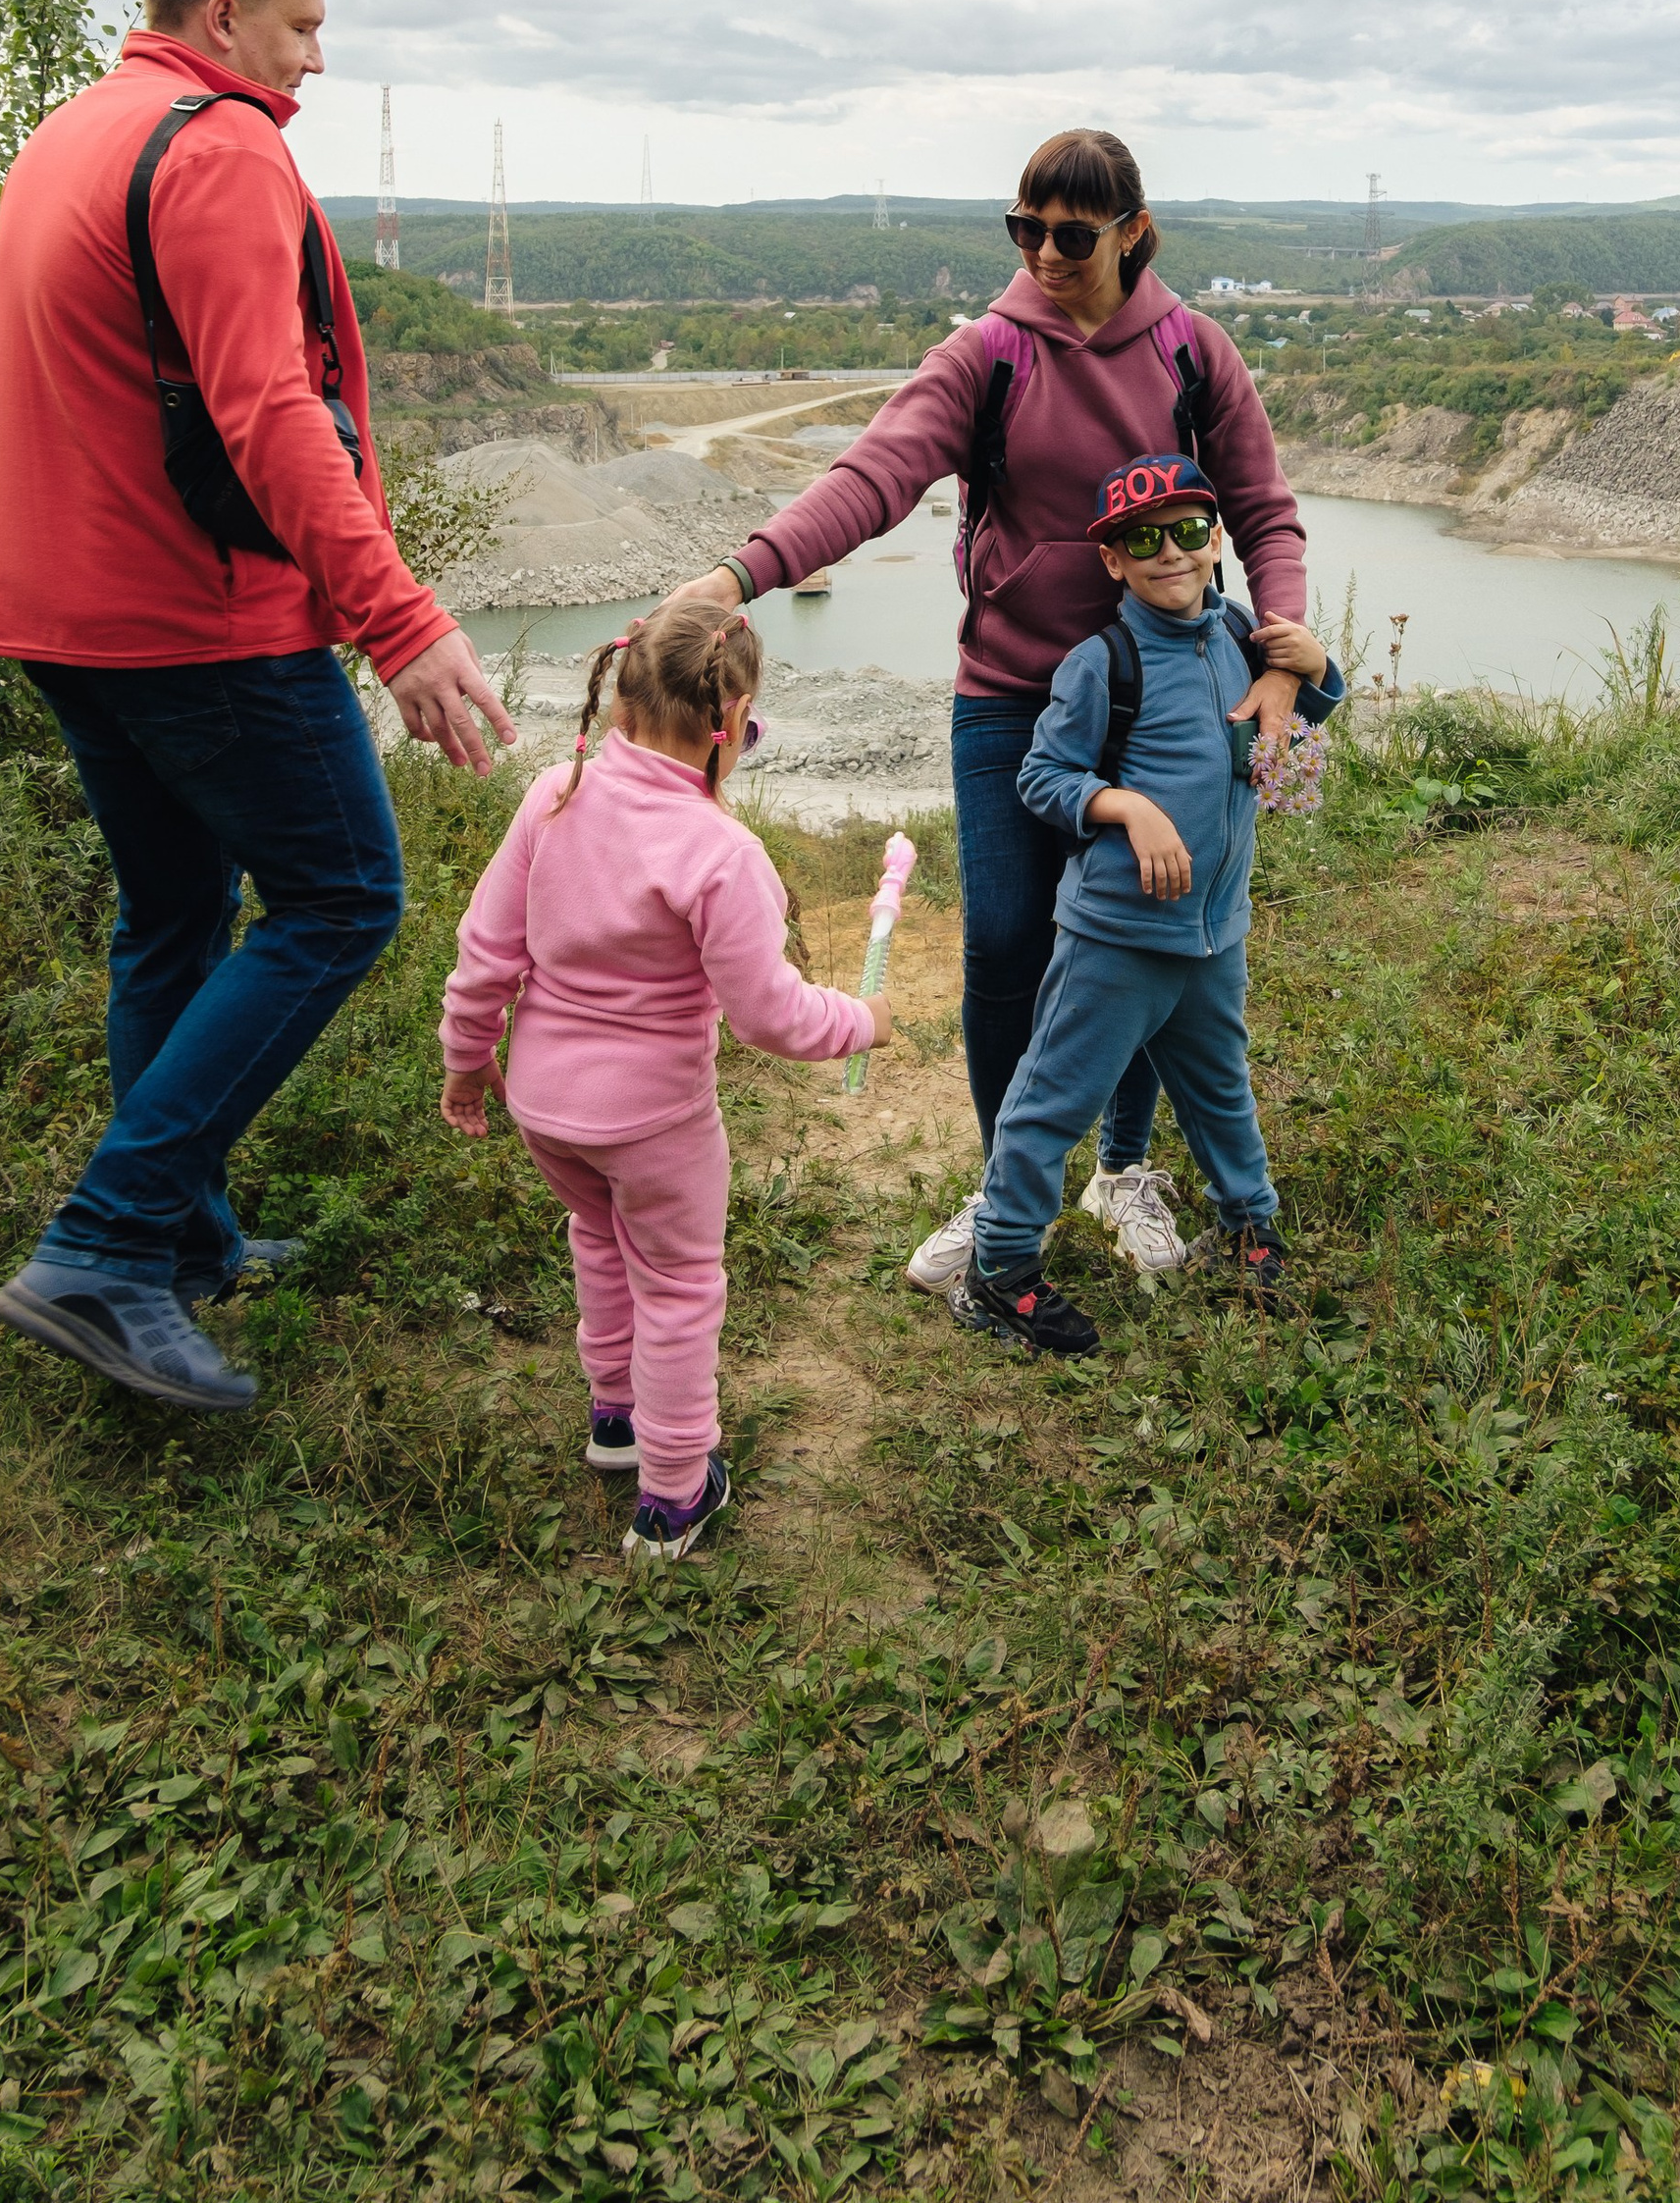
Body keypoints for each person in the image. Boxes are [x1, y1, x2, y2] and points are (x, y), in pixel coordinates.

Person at [0, 0, 517, 1416]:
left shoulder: (75, 131)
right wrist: (399, 621)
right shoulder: (217, 147)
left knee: (169, 915)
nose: (316, 63)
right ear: (224, 19)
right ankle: (105, 1244)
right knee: (344, 896)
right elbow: (267, 410)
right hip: (193, 619)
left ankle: (183, 1241)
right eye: (302, 28)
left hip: (61, 610)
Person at [656, 130, 1316, 1299]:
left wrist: (1279, 652)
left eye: (1071, 234)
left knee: (1147, 939)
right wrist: (737, 575)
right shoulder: (987, 355)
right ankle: (1009, 1182)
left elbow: (1262, 508)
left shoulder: (1190, 352)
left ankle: (1122, 1169)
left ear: (1133, 232)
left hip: (1155, 700)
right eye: (1025, 231)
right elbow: (873, 480)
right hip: (1012, 696)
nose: (1046, 255)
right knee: (1011, 944)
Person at [436, 604, 886, 1559]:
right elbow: (770, 1014)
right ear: (736, 721)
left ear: (620, 698)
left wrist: (467, 1064)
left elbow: (484, 957)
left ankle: (616, 1422)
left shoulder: (553, 795)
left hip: (545, 1109)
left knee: (597, 1238)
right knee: (678, 1286)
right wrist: (860, 1022)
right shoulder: (722, 854)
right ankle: (675, 1493)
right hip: (655, 1122)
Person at [953, 453, 1341, 1357]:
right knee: (1051, 1102)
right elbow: (1041, 776)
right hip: (1116, 938)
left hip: (1213, 935)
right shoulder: (1103, 662)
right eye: (1141, 540)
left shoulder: (1244, 634)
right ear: (1113, 562)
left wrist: (1319, 668)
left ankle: (1251, 1234)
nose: (1169, 552)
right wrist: (1124, 806)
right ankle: (1000, 1271)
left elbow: (1307, 717)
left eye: (1190, 532)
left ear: (1216, 544)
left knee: (1221, 1096)